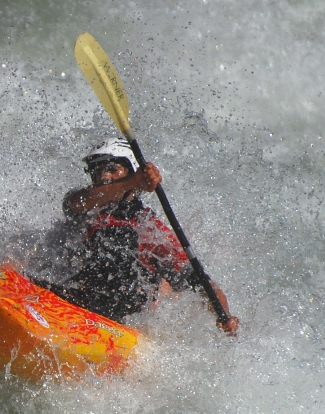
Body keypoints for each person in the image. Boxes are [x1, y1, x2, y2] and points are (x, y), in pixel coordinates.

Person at [35, 139, 239, 334]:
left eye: (113, 169)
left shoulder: (149, 230)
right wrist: (131, 182)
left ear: (132, 172)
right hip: (66, 297)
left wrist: (225, 316)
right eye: (98, 171)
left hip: (111, 321)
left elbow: (202, 282)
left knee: (121, 238)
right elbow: (76, 202)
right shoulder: (86, 206)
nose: (104, 177)